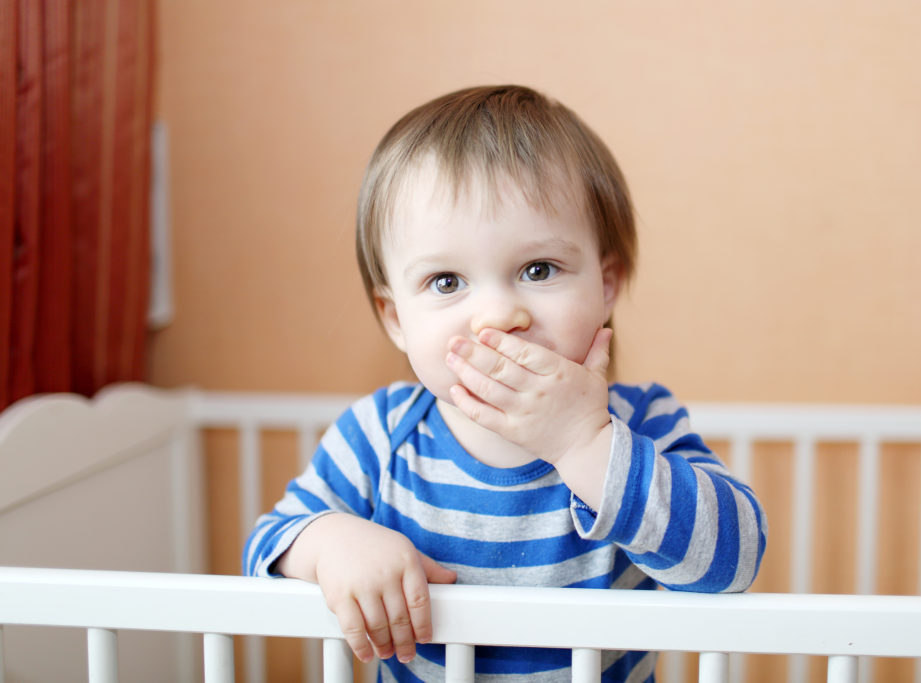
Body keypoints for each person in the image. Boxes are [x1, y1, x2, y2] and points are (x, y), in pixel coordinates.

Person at [244, 85, 767, 682]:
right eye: (446, 282)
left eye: (537, 269)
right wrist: (332, 543)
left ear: (606, 285)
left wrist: (582, 445)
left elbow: (736, 559)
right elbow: (266, 546)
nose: (497, 315)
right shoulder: (380, 435)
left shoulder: (641, 423)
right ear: (395, 318)